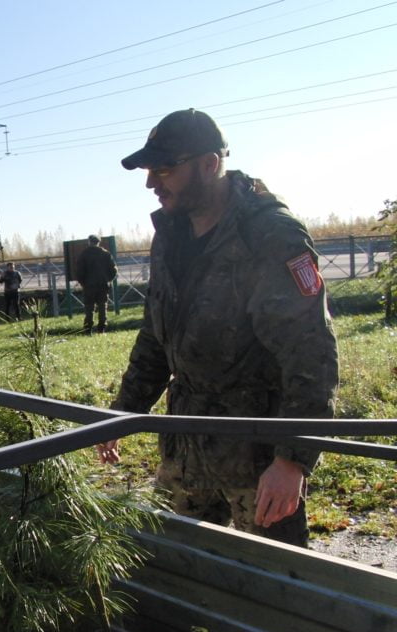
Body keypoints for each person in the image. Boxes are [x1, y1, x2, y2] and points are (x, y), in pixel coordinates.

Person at [96, 108, 339, 548]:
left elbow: (311, 352)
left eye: (165, 169)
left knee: (272, 587)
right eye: (150, 171)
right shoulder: (170, 233)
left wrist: (292, 461)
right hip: (187, 443)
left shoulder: (269, 236)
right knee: (175, 569)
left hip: (257, 453)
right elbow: (156, 332)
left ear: (210, 164)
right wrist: (121, 414)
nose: (152, 183)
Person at [76, 235, 117, 333]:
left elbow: (79, 271)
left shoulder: (84, 254)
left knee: (89, 307)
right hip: (103, 284)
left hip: (89, 285)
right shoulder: (106, 254)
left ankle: (88, 329)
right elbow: (114, 270)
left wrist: (83, 282)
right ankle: (101, 329)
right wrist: (108, 279)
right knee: (103, 306)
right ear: (99, 242)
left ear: (89, 242)